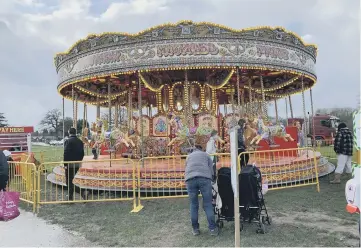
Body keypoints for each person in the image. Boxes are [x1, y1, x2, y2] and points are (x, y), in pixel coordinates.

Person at [185, 145, 219, 236]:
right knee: (208, 204)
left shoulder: (189, 156)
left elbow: (186, 167)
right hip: (204, 178)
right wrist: (212, 179)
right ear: (202, 149)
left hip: (190, 179)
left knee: (193, 204)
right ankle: (212, 229)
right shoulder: (206, 155)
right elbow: (211, 169)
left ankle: (195, 229)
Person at [63, 127, 85, 200]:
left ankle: (82, 192)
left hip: (69, 164)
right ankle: (70, 197)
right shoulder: (80, 141)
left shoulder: (68, 141)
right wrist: (79, 161)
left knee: (68, 182)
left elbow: (66, 153)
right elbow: (82, 153)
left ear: (69, 133)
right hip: (77, 164)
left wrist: (65, 164)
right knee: (70, 181)